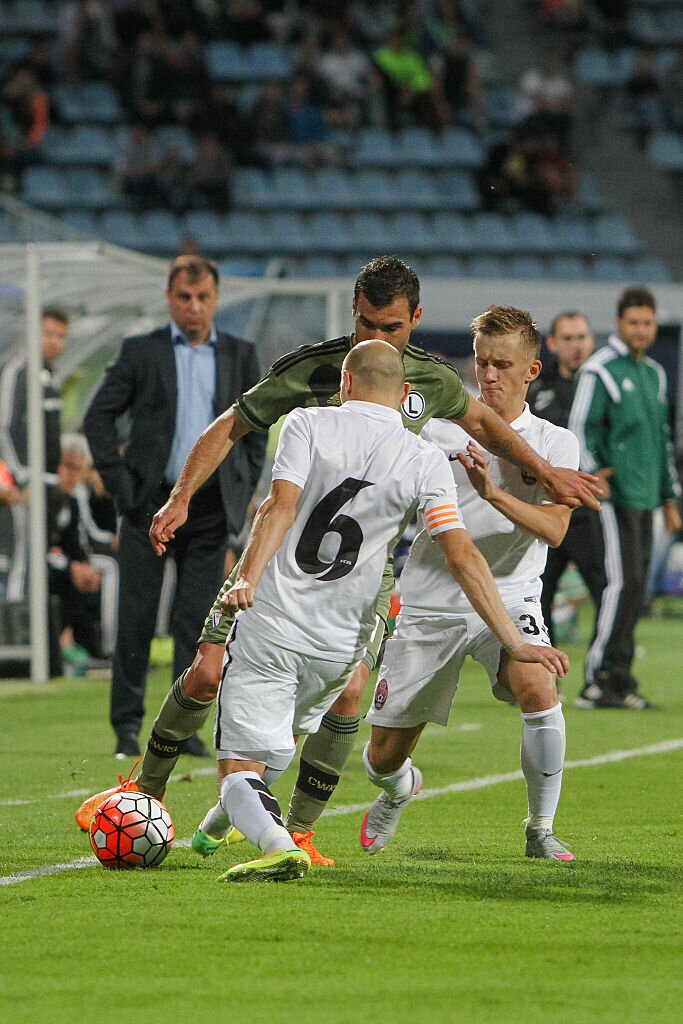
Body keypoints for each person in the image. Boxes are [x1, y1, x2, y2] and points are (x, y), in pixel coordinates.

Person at [75, 255, 600, 855]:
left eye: (392, 328)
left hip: (364, 572)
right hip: (279, 554)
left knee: (349, 694)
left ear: (416, 320)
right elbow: (229, 426)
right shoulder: (313, 372)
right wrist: (180, 496)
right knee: (205, 671)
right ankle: (143, 793)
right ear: (354, 314)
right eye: (368, 325)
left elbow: (486, 425)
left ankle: (297, 830)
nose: (377, 339)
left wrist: (546, 473)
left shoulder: (429, 383)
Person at [193, 339, 569, 882]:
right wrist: (517, 641)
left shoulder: (307, 423)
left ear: (344, 384)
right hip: (343, 645)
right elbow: (460, 552)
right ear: (408, 395)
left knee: (238, 766)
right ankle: (213, 829)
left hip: (276, 620)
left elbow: (279, 506)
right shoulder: (423, 455)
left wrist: (245, 578)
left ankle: (279, 843)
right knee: (286, 751)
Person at [362, 305, 578, 861]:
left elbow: (555, 529)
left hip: (509, 594)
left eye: (502, 364)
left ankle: (540, 827)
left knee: (539, 683)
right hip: (431, 598)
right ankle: (400, 786)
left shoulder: (554, 444)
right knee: (381, 755)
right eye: (481, 362)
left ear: (531, 370)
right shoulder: (437, 426)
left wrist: (495, 494)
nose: (488, 375)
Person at [83, 255, 266, 758]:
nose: (194, 307)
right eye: (184, 297)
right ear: (169, 298)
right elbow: (98, 417)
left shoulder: (239, 355)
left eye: (203, 297)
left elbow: (256, 430)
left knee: (196, 624)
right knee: (136, 620)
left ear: (216, 298)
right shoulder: (140, 352)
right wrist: (122, 486)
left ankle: (180, 730)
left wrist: (242, 482)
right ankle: (126, 729)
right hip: (148, 506)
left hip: (208, 512)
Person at [569, 286, 682, 710]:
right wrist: (592, 472)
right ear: (619, 323)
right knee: (621, 585)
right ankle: (598, 680)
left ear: (654, 326)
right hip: (614, 498)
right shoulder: (601, 370)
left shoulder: (655, 372)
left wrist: (670, 499)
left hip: (646, 496)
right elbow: (581, 428)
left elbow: (662, 438)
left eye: (647, 323)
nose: (640, 329)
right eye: (633, 322)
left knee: (637, 588)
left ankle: (622, 678)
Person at [527, 311, 605, 643]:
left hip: (591, 512)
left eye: (582, 337)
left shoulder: (605, 388)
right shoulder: (537, 392)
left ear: (592, 341)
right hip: (546, 509)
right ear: (554, 343)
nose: (576, 346)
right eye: (568, 338)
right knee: (536, 596)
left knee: (608, 593)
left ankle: (604, 675)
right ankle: (543, 678)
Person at [0, 306, 69, 604]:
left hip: (45, 486)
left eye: (61, 336)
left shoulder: (47, 377)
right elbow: (5, 428)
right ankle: (18, 640)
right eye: (48, 333)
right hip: (24, 487)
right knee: (20, 563)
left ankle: (33, 640)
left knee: (35, 564)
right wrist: (22, 478)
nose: (54, 341)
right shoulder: (17, 371)